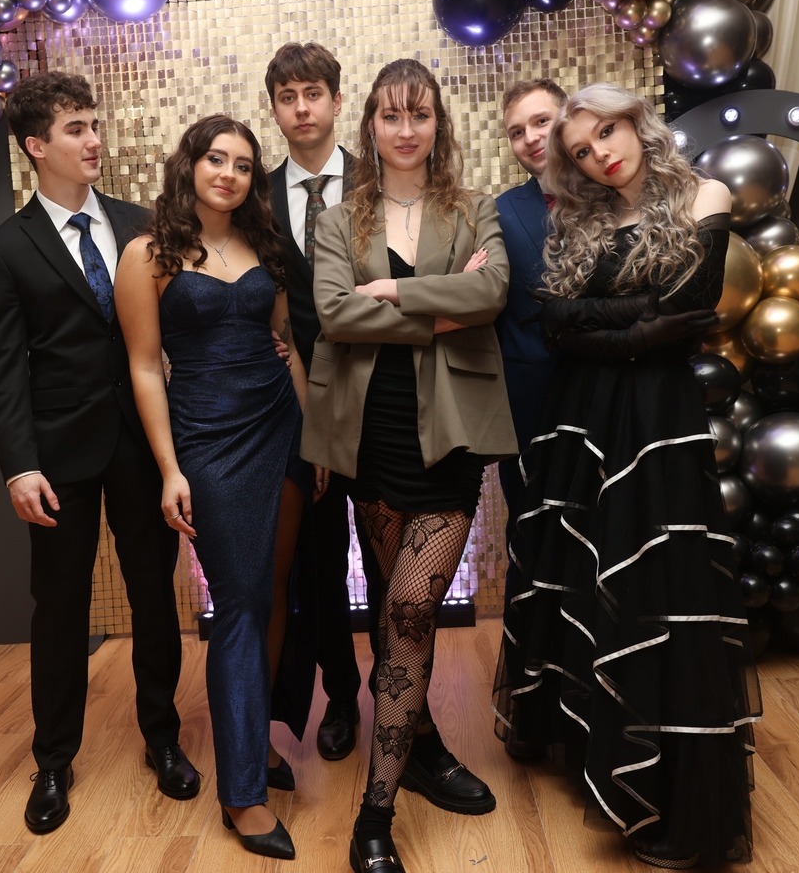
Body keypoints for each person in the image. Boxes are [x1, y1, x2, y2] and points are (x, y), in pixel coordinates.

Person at [492, 83, 761, 869]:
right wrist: (635, 324)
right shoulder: (582, 219)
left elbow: (690, 306)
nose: (599, 154)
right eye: (581, 150)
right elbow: (555, 322)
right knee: (585, 574)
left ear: (637, 122)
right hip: (584, 417)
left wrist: (603, 323)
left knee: (660, 586)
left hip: (656, 420)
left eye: (606, 132)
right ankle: (591, 749)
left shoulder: (705, 195)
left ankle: (672, 792)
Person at [303, 58, 517, 873]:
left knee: (411, 611)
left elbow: (492, 294)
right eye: (390, 116)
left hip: (451, 435)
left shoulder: (473, 208)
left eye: (418, 114)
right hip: (369, 435)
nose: (404, 130)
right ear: (370, 125)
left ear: (437, 124)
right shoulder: (338, 219)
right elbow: (333, 314)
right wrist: (438, 302)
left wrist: (392, 295)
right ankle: (422, 743)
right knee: (396, 607)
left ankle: (376, 813)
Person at [0, 71, 198, 836]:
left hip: (143, 442)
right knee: (60, 608)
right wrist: (19, 464)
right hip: (56, 455)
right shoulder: (3, 248)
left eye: (94, 124)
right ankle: (53, 760)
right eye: (76, 129)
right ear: (36, 145)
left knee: (155, 596)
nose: (94, 139)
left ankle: (163, 738)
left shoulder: (142, 225)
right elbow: (3, 367)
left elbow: (177, 327)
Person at [117, 114, 316, 861]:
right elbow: (144, 366)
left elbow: (286, 344)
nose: (228, 174)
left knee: (271, 593)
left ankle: (251, 739)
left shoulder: (265, 245)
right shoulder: (148, 253)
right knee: (236, 602)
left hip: (280, 428)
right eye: (215, 160)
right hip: (207, 438)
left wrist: (311, 435)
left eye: (242, 164)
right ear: (190, 166)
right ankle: (241, 795)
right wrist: (171, 468)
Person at [264, 42, 363, 762]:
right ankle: (342, 696)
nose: (302, 108)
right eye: (287, 97)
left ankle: (406, 702)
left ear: (335, 100)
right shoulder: (254, 196)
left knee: (391, 565)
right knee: (320, 566)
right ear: (275, 109)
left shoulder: (380, 179)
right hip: (302, 405)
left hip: (384, 395)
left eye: (313, 94)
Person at [493, 79, 567, 530]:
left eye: (542, 121)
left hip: (616, 392)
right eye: (517, 132)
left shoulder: (618, 194)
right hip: (532, 408)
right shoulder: (499, 212)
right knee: (534, 533)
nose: (531, 138)